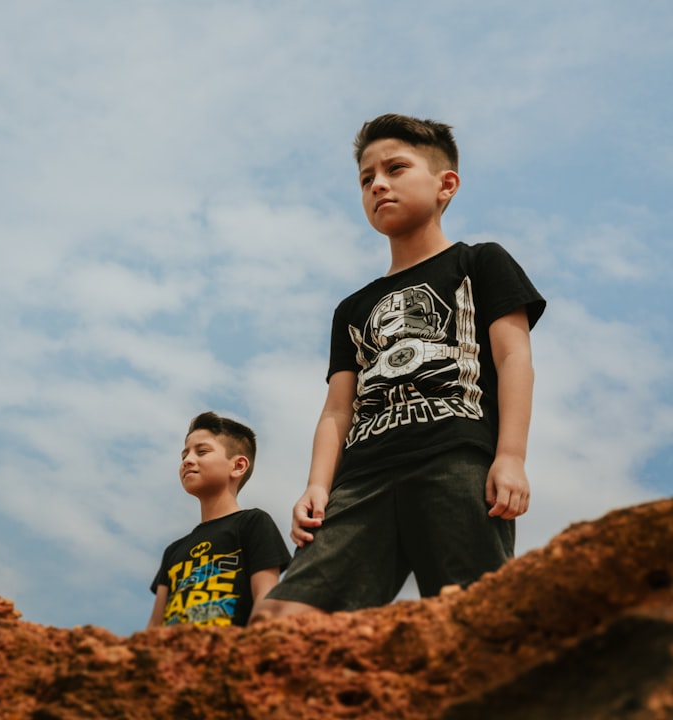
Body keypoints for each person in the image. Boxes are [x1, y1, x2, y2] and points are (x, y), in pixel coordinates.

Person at [250, 114, 546, 622]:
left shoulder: (480, 262)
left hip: (456, 460)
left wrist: (511, 456)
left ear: (445, 184)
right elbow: (337, 410)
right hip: (360, 480)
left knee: (476, 617)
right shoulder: (352, 309)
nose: (378, 184)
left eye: (395, 168)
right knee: (281, 618)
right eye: (366, 178)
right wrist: (318, 484)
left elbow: (514, 356)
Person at [147, 411, 291, 628]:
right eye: (184, 455)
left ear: (238, 466)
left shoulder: (253, 523)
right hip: (172, 658)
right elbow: (154, 627)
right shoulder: (173, 552)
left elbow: (266, 596)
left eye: (202, 451)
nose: (187, 460)